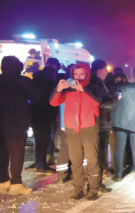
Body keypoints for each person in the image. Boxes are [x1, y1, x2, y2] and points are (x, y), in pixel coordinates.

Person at [49, 64, 106, 200]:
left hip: (89, 129)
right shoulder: (67, 89)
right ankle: (78, 189)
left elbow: (97, 102)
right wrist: (58, 89)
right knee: (76, 161)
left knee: (92, 161)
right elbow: (53, 102)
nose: (78, 77)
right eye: (76, 74)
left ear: (87, 74)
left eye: (82, 74)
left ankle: (93, 189)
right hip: (71, 130)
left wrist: (84, 90)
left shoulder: (93, 87)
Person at [0, 56, 41, 195]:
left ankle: (3, 181)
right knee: (16, 152)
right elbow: (36, 97)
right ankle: (16, 184)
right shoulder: (22, 81)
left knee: (2, 152)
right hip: (17, 121)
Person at [111, 72, 135, 181]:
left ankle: (118, 174)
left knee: (119, 147)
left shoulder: (122, 87)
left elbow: (114, 101)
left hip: (119, 120)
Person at [29, 58, 61, 174]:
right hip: (45, 115)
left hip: (35, 114)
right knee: (44, 140)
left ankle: (39, 163)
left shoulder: (36, 80)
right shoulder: (50, 84)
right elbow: (52, 101)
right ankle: (41, 165)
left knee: (39, 140)